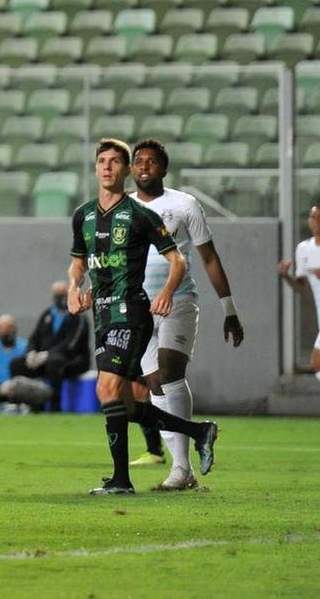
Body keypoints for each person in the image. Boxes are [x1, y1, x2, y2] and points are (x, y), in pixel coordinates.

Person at [68, 139, 220, 496]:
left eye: (115, 162)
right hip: (103, 314)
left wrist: (166, 292)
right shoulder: (84, 215)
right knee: (127, 401)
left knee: (106, 389)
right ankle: (200, 432)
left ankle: (121, 480)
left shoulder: (140, 215)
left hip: (131, 311)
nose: (107, 167)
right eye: (101, 161)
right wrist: (74, 288)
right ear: (95, 168)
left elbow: (178, 260)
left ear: (125, 171)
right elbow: (78, 264)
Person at [126, 139, 245, 489]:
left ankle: (180, 470)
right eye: (138, 161)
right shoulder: (124, 209)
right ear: (132, 169)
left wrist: (229, 310)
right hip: (137, 307)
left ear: (163, 168)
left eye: (151, 161)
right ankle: (184, 469)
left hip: (177, 299)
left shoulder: (184, 204)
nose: (144, 166)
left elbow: (209, 258)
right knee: (153, 384)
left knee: (169, 371)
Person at [8, 282, 92, 412]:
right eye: (57, 295)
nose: (60, 298)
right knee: (16, 364)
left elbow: (72, 344)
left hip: (73, 360)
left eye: (63, 295)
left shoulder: (78, 316)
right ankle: (25, 403)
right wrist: (31, 353)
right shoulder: (47, 315)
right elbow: (34, 338)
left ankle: (54, 405)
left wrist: (47, 355)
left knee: (54, 364)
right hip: (45, 360)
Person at [0, 316, 49, 411]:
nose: (6, 331)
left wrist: (15, 384)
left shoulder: (25, 347)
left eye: (9, 327)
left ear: (15, 328)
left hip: (19, 388)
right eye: (2, 328)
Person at [278, 202, 320, 376]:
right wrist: (286, 276)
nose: (315, 220)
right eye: (313, 216)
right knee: (317, 364)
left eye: (319, 217)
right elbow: (301, 287)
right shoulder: (303, 249)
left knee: (316, 362)